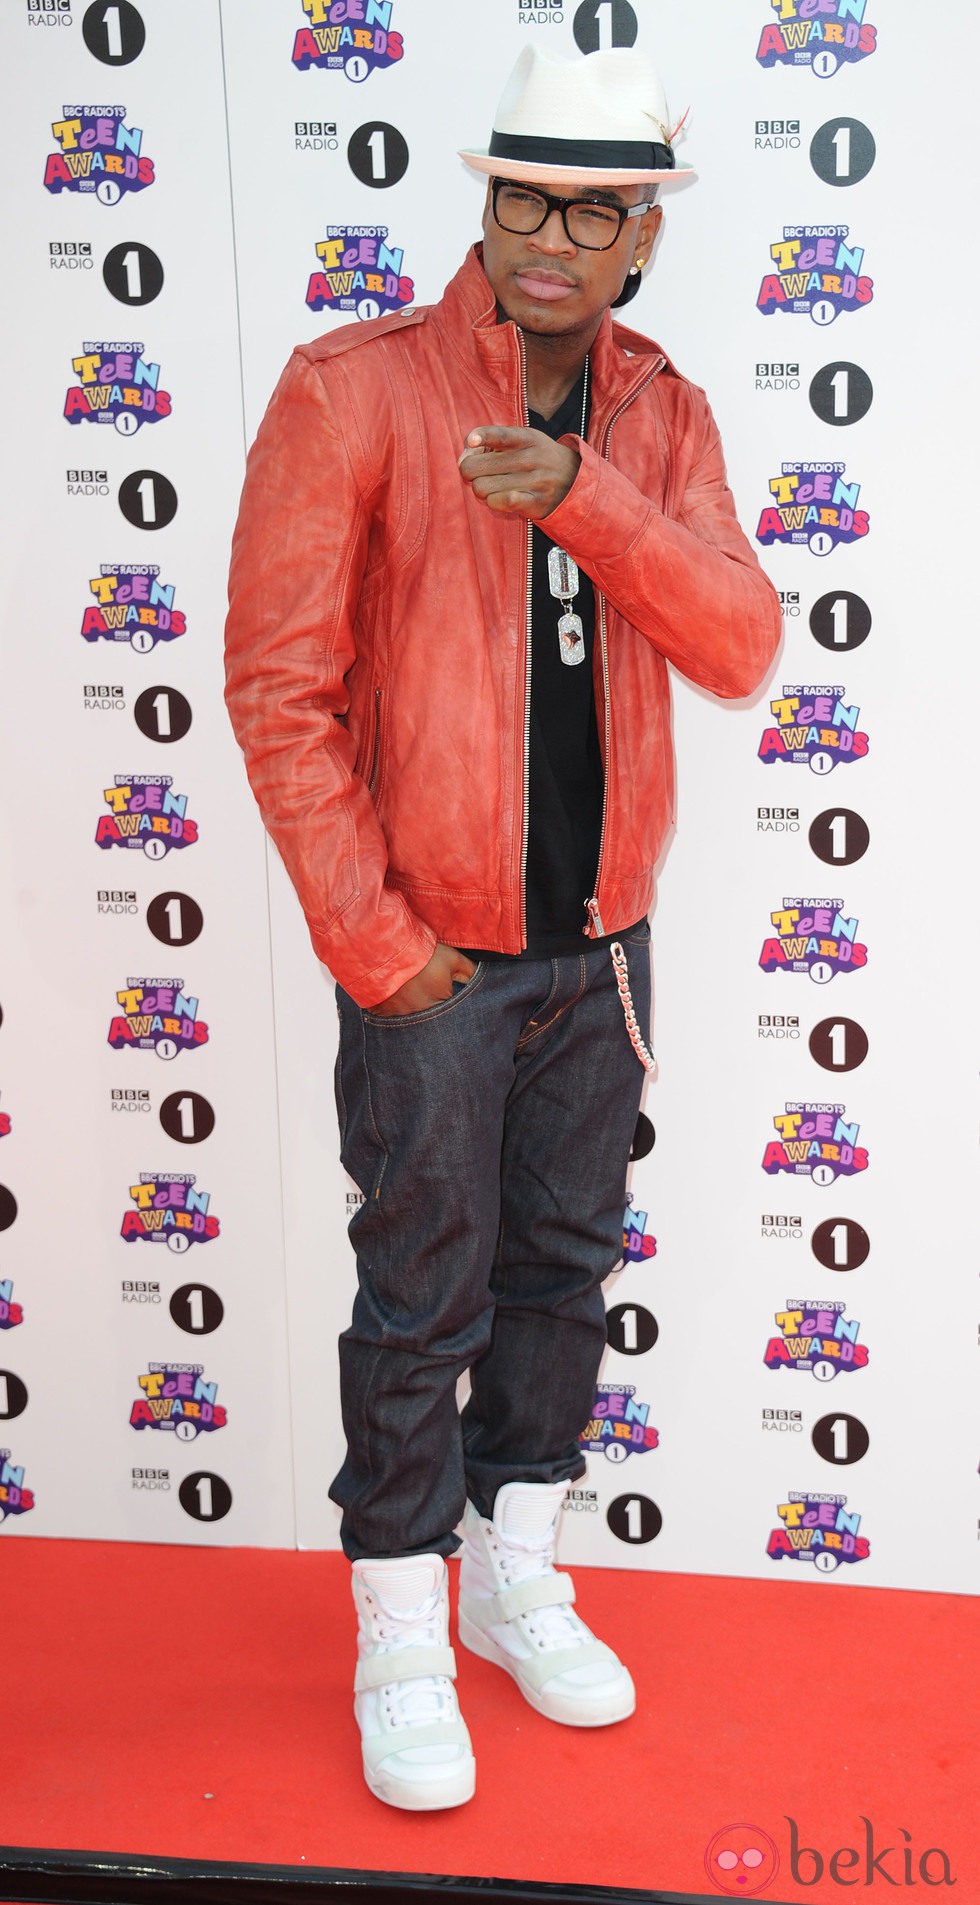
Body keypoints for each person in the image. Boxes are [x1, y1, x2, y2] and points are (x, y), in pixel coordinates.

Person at [225, 41, 781, 1812]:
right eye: (525, 195)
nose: (551, 234)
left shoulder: (662, 410)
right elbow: (276, 691)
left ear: (638, 240)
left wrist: (590, 506)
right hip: (432, 962)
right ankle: (400, 1626)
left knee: (558, 1278)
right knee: (420, 1301)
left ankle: (508, 1573)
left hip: (602, 948)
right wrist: (376, 946)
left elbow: (744, 644)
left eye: (593, 209)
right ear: (486, 202)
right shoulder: (354, 388)